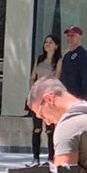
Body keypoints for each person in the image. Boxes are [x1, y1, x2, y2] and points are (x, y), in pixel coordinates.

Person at [28, 34, 62, 162]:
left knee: (50, 129)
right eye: (46, 42)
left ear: (56, 46)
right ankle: (35, 158)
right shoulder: (39, 59)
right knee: (36, 128)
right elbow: (32, 77)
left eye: (51, 42)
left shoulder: (58, 60)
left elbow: (56, 79)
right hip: (37, 97)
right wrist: (33, 91)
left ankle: (50, 157)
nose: (47, 44)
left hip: (49, 98)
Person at [60, 25, 87, 99]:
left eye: (72, 35)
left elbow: (86, 76)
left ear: (80, 37)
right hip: (66, 95)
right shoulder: (66, 56)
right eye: (68, 36)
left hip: (78, 95)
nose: (69, 38)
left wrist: (82, 95)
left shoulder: (83, 54)